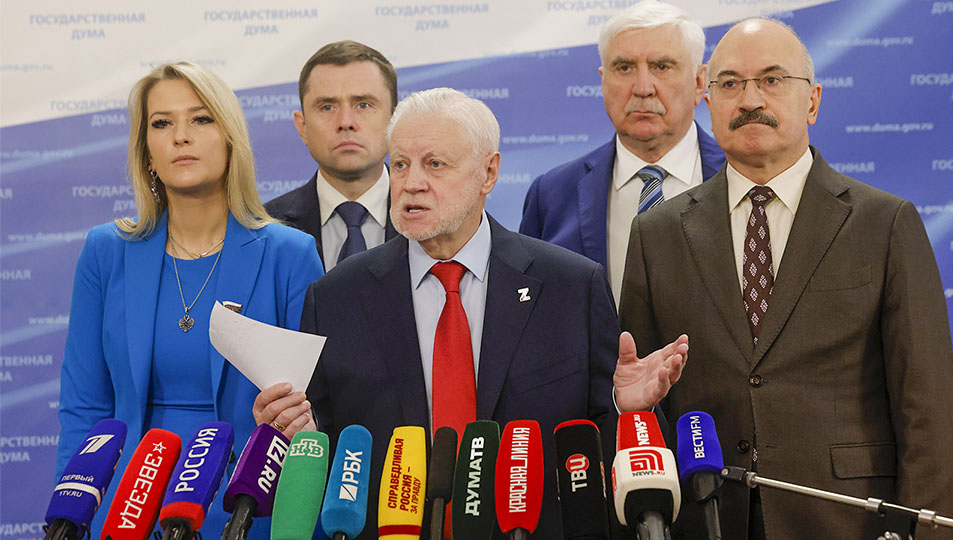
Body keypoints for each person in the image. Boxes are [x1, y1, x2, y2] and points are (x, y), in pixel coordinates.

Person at [614, 18, 953, 540]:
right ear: (708, 100)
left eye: (772, 80)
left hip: (848, 521)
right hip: (707, 517)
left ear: (813, 101)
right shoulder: (657, 233)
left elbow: (925, 409)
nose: (750, 99)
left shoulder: (884, 223)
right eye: (730, 83)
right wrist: (627, 405)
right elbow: (639, 391)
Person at [257, 87, 619, 539]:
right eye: (400, 164)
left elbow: (605, 431)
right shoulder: (335, 298)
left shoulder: (571, 286)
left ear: (489, 173)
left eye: (435, 164)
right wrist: (299, 434)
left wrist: (631, 406)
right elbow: (328, 446)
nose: (411, 183)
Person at [55, 62, 324, 538]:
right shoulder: (106, 251)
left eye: (200, 119)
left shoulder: (290, 254)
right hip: (125, 510)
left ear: (230, 138)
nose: (181, 136)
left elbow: (317, 412)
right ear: (146, 150)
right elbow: (85, 406)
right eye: (162, 123)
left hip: (247, 508)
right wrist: (71, 518)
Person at [519, 0, 725, 306]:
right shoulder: (551, 194)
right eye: (624, 68)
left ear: (698, 82)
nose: (643, 88)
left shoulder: (742, 178)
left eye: (662, 67)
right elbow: (528, 310)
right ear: (603, 82)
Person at [265, 41, 399, 270]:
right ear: (302, 126)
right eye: (327, 107)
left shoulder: (434, 221)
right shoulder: (265, 227)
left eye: (363, 105)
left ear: (395, 121)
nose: (345, 122)